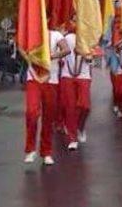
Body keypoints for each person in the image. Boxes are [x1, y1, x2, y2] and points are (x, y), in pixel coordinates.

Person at [24, 25, 69, 165]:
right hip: (34, 78)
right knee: (32, 113)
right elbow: (21, 45)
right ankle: (30, 149)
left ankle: (46, 152)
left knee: (48, 117)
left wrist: (51, 56)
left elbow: (66, 50)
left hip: (51, 79)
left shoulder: (55, 35)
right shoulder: (31, 32)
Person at [60, 27, 94, 151]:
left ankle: (80, 127)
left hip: (83, 75)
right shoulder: (66, 37)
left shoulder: (88, 37)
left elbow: (90, 58)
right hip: (67, 75)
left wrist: (84, 53)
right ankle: (72, 138)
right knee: (70, 107)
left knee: (85, 106)